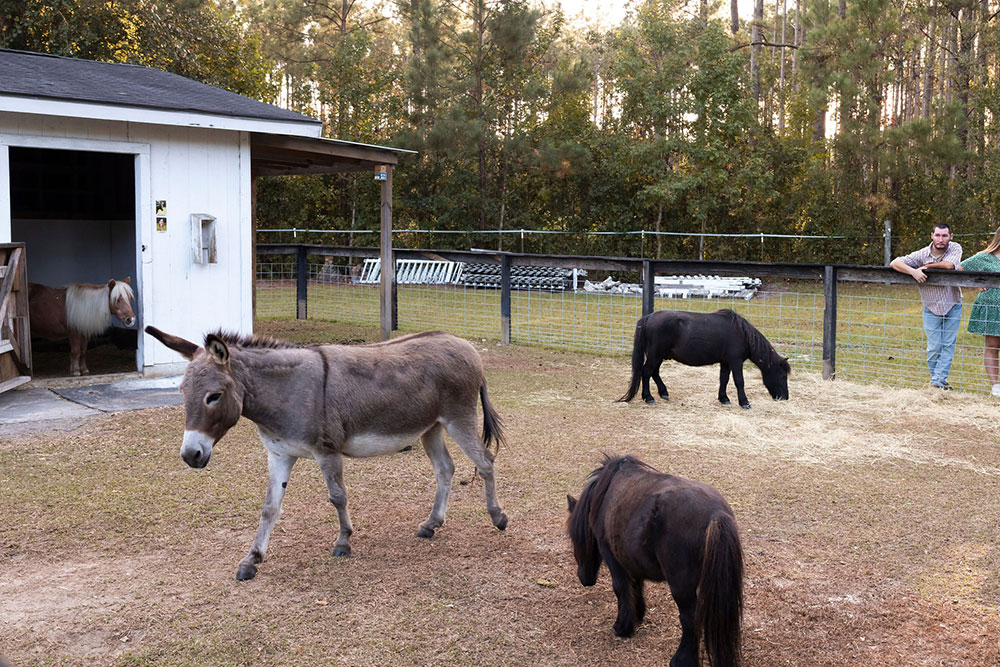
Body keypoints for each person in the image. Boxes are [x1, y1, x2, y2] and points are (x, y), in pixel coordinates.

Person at [890, 224, 963, 389]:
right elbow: (895, 262)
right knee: (934, 347)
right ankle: (938, 381)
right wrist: (914, 271)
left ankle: (937, 382)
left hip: (953, 304)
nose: (941, 239)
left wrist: (927, 266)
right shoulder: (922, 253)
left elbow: (949, 265)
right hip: (930, 306)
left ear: (951, 237)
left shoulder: (955, 248)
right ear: (932, 236)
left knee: (948, 344)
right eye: (937, 235)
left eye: (944, 236)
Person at [957, 227, 1000, 396]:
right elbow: (960, 270)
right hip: (991, 306)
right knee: (992, 346)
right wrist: (975, 283)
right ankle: (996, 386)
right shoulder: (983, 257)